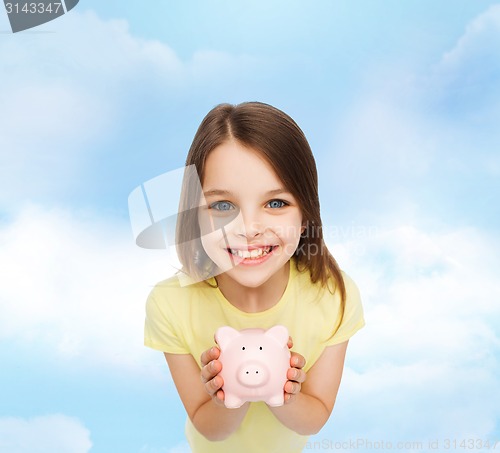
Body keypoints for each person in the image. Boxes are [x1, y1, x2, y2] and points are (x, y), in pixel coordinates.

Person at [144, 102, 365, 452]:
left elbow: (316, 416)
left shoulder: (333, 296)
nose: (248, 229)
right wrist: (228, 393)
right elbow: (209, 429)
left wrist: (281, 391)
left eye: (275, 203)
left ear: (306, 212)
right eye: (222, 206)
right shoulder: (171, 303)